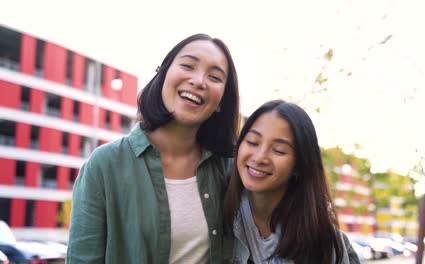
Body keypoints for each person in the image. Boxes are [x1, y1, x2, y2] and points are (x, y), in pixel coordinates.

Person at [67, 33, 239, 263]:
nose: (199, 81)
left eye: (215, 77)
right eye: (188, 65)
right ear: (162, 75)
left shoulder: (230, 170)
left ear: (221, 103)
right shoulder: (105, 165)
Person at [223, 100, 360, 264]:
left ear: (299, 166)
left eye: (278, 150)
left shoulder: (322, 240)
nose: (259, 157)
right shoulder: (216, 210)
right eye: (252, 142)